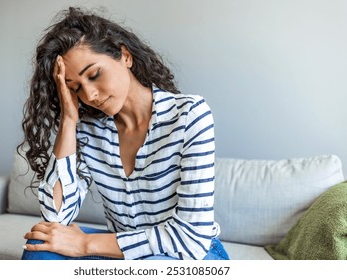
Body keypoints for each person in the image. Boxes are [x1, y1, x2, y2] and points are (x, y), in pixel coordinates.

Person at [19, 6, 229, 260]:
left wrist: (86, 244)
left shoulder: (189, 115)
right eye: (75, 89)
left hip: (192, 255)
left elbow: (190, 238)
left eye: (94, 75)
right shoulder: (90, 130)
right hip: (123, 251)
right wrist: (69, 121)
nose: (89, 95)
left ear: (124, 56)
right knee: (42, 244)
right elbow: (56, 216)